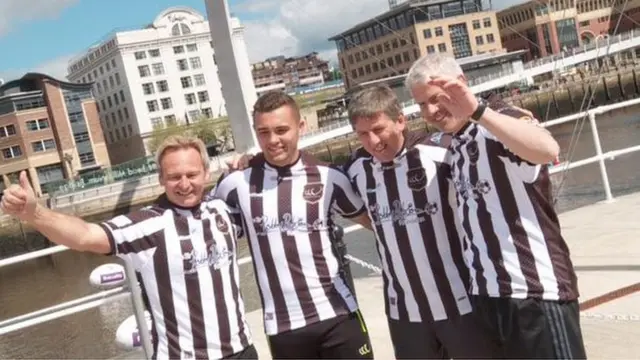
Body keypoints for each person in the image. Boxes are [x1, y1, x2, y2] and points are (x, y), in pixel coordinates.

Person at [1, 135, 257, 360]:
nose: (184, 184)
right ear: (160, 179)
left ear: (206, 172)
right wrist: (35, 214)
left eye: (191, 174)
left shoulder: (224, 212)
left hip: (242, 351)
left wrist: (245, 166)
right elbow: (85, 235)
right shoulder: (147, 225)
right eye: (174, 177)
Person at [405, 53, 586, 359]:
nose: (431, 110)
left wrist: (478, 110)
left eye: (436, 98)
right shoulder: (455, 143)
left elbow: (547, 149)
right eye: (422, 104)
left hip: (534, 295)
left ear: (461, 84)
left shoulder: (501, 121)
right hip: (487, 296)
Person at [211, 90, 374, 359]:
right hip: (284, 329)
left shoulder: (329, 178)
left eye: (281, 130)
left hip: (338, 317)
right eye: (264, 132)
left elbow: (380, 224)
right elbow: (195, 226)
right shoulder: (235, 184)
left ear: (301, 127)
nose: (273, 140)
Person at [343, 84, 497, 359]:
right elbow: (310, 174)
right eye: (363, 134)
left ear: (400, 121)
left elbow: (489, 158)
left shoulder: (441, 154)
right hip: (404, 312)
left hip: (462, 302)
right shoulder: (357, 169)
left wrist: (514, 114)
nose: (372, 141)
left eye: (379, 129)